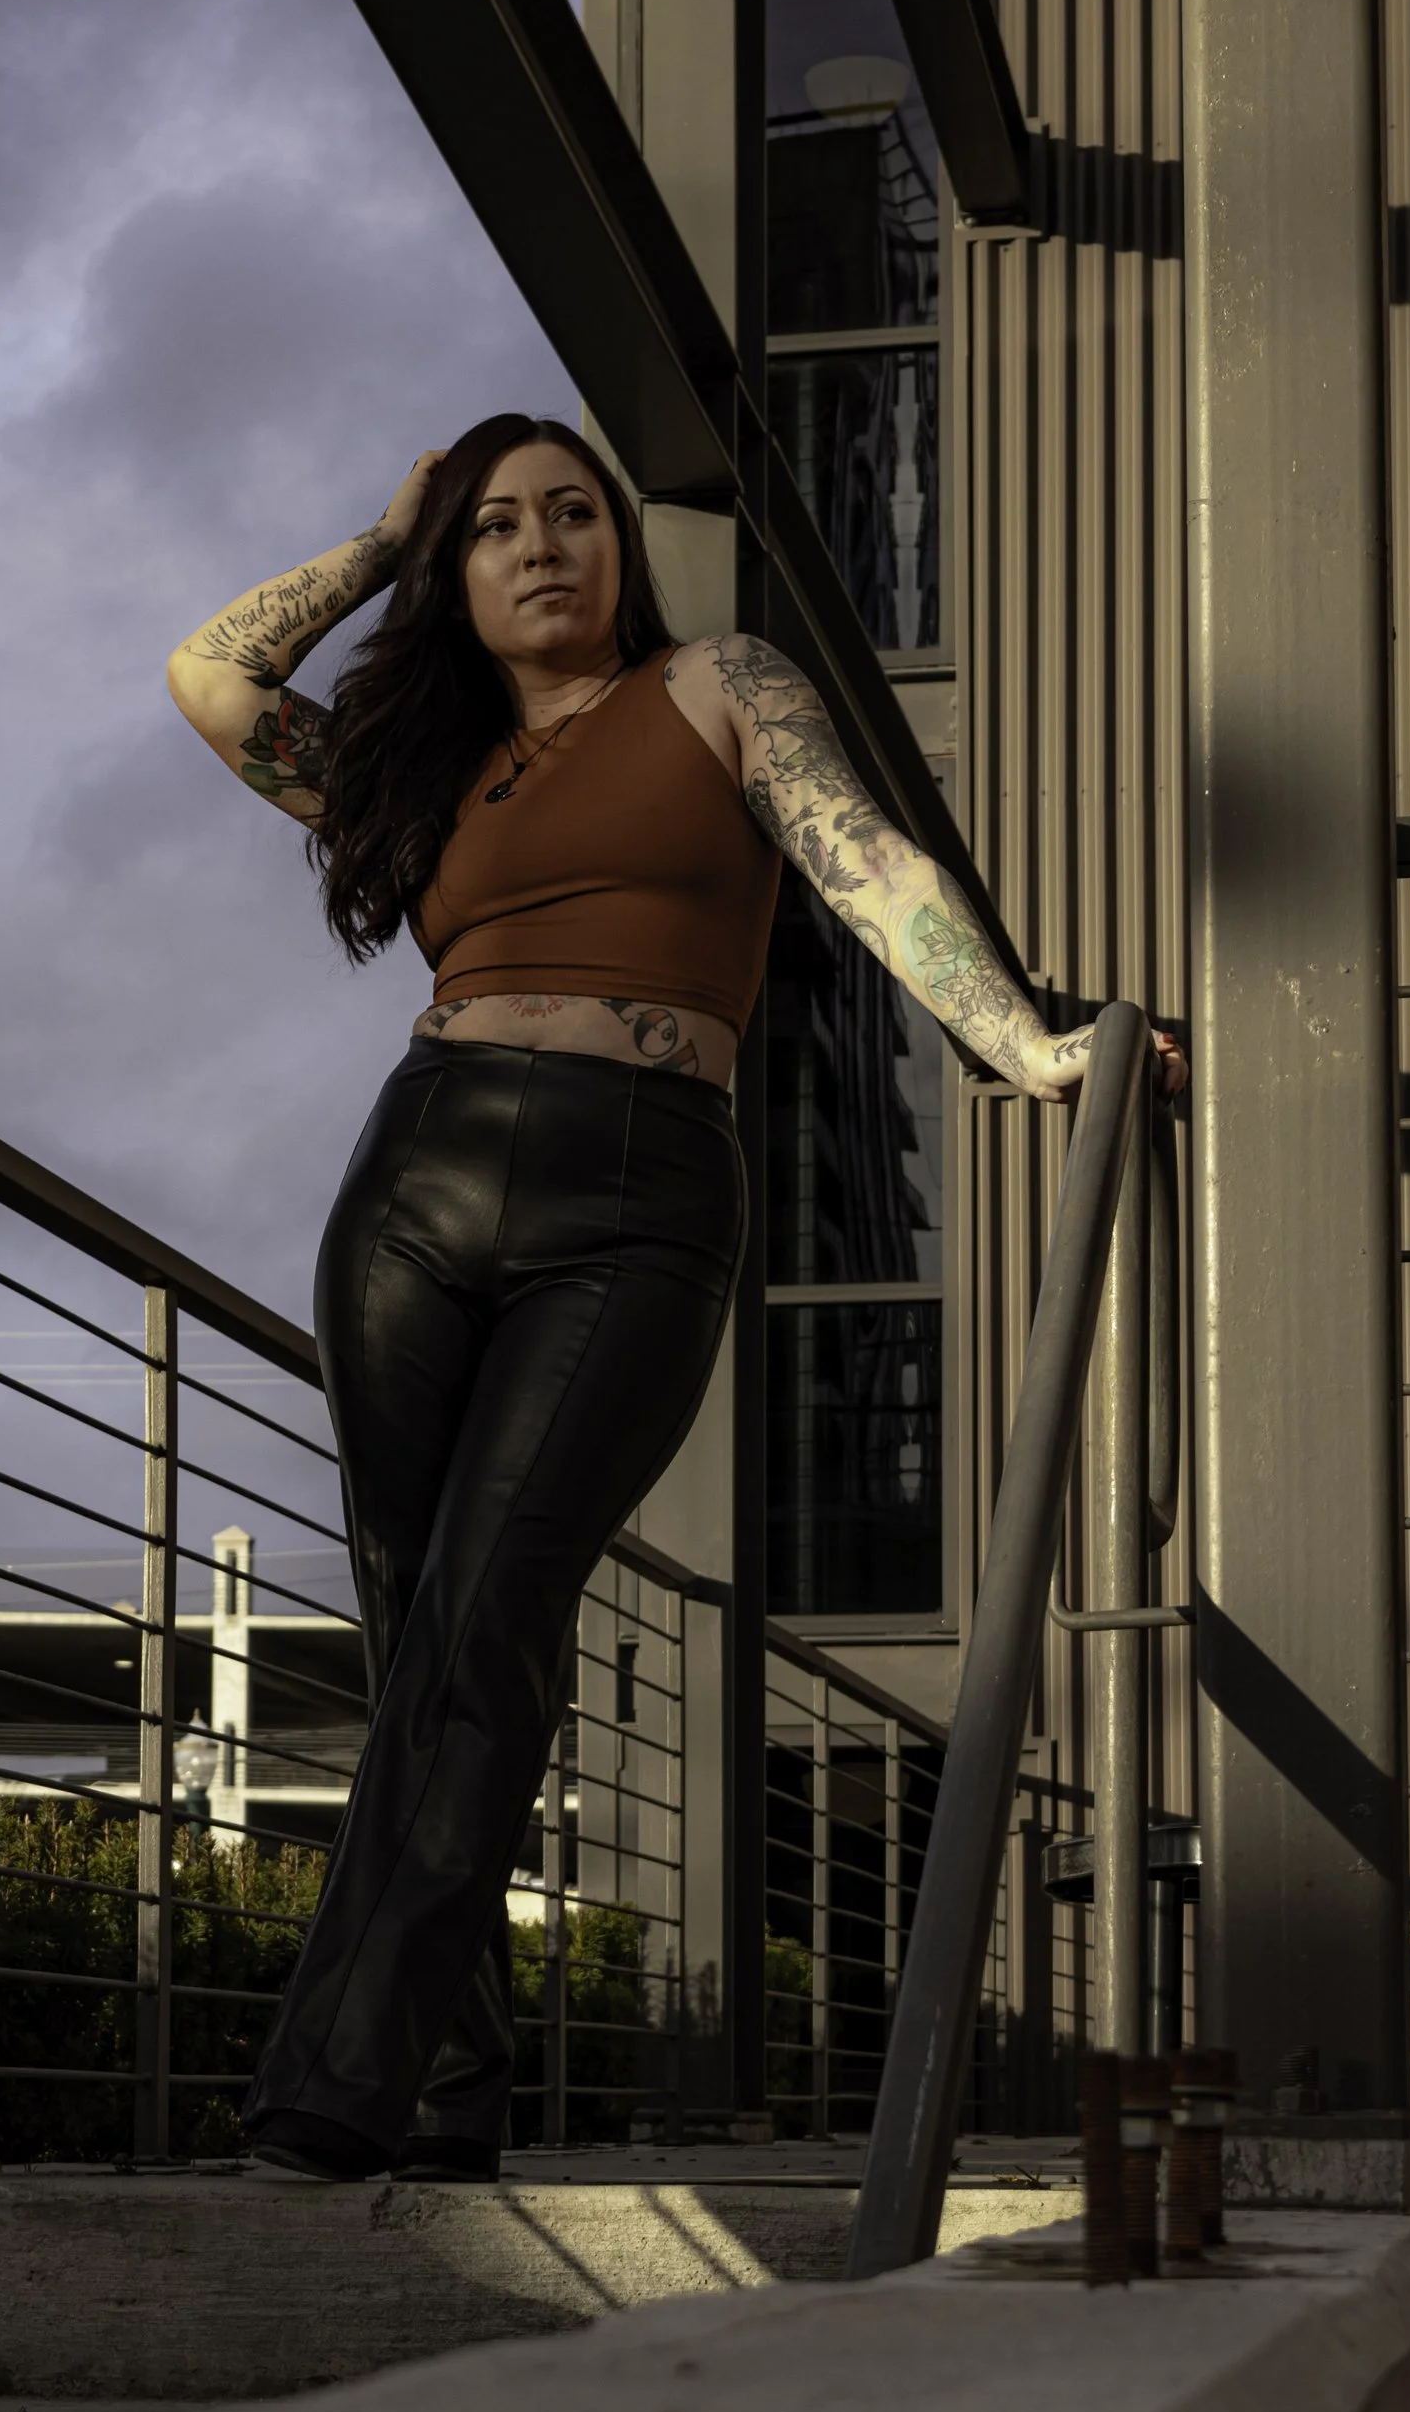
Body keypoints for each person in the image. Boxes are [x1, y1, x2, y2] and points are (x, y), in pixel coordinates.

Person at [168, 411, 1180, 2182]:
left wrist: (1016, 1036)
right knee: (425, 1634)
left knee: (488, 1614)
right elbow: (212, 673)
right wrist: (378, 529)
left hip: (637, 1191)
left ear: (621, 545)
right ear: (453, 575)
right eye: (492, 528)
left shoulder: (721, 686)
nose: (540, 545)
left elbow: (870, 862)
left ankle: (331, 2088)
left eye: (573, 513)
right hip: (411, 1182)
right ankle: (451, 2086)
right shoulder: (426, 777)